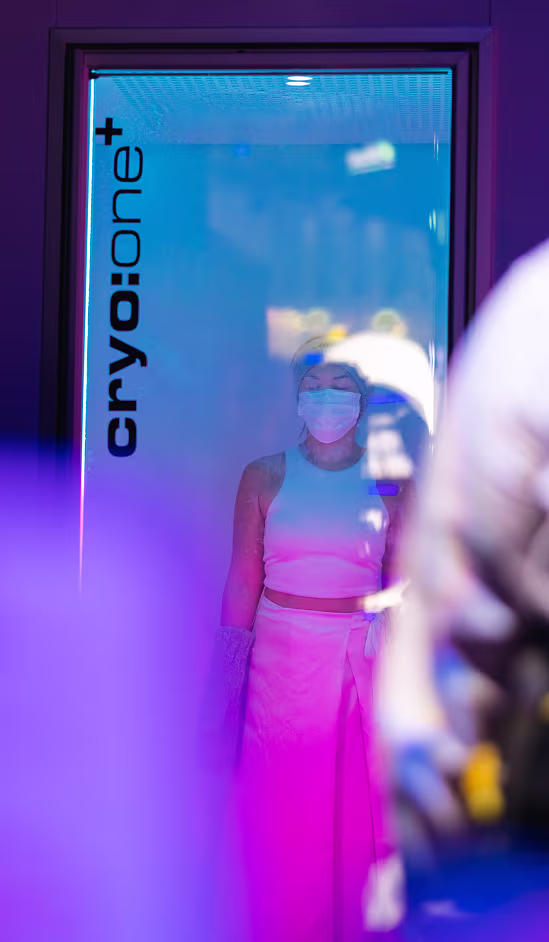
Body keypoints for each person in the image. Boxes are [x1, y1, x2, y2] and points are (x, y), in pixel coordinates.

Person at [215, 334, 411, 942]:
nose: (328, 397)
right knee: (285, 807)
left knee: (357, 812)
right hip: (282, 663)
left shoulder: (390, 481)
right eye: (315, 385)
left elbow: (405, 579)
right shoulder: (265, 475)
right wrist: (223, 689)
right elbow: (243, 579)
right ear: (298, 395)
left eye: (341, 384)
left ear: (362, 397)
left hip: (360, 662)